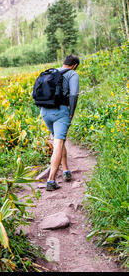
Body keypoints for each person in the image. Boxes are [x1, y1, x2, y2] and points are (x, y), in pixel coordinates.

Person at [40, 55, 80, 191]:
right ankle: (51, 180)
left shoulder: (51, 72)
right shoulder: (72, 74)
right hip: (60, 113)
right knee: (58, 142)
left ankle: (66, 170)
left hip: (45, 112)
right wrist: (71, 112)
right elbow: (74, 94)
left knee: (59, 140)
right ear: (74, 65)